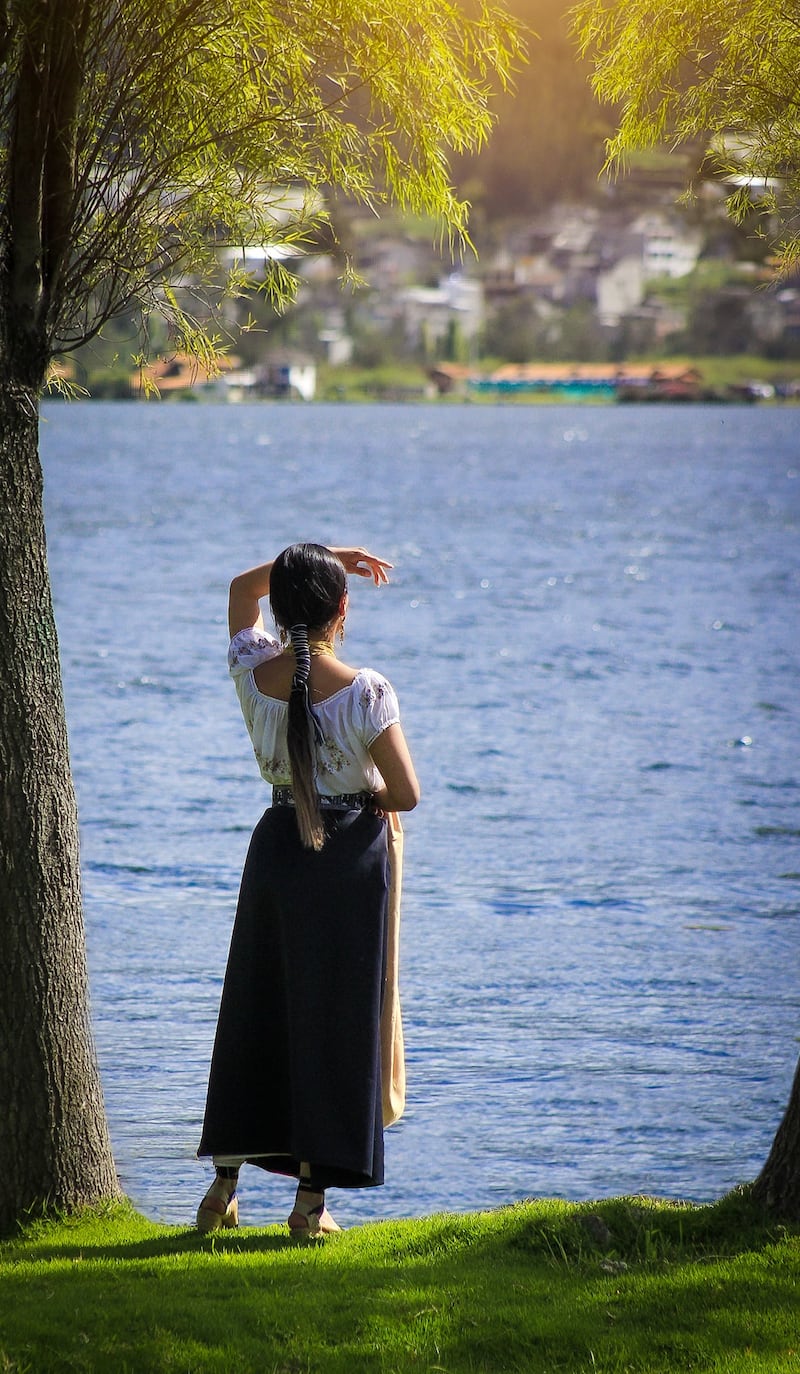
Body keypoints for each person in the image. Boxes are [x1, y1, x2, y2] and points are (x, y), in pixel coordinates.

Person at [196, 542, 419, 1238]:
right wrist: (369, 788)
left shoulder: (251, 670)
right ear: (343, 611)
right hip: (346, 857)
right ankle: (309, 1210)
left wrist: (320, 554)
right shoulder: (368, 690)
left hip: (275, 846)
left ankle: (221, 1192)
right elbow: (404, 794)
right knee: (336, 1028)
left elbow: (239, 587)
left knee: (255, 1015)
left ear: (282, 608)